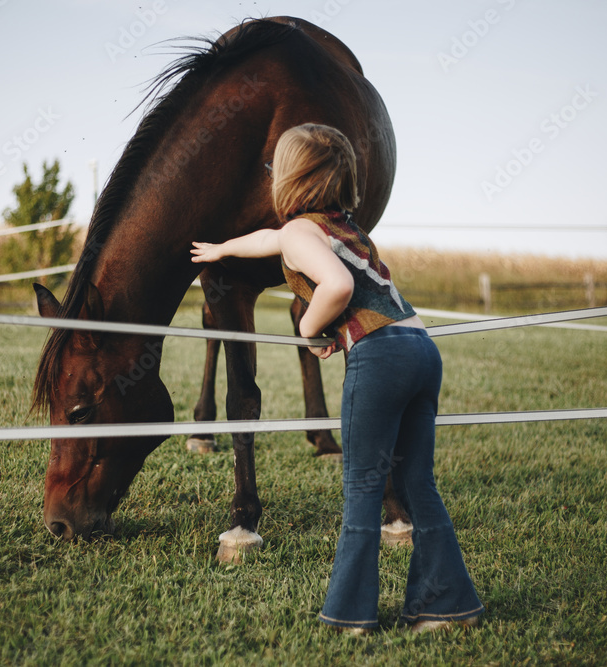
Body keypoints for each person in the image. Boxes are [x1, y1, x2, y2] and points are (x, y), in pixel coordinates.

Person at [191, 123, 483, 634]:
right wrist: (222, 250)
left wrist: (309, 327)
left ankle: (350, 616)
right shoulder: (345, 229)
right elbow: (273, 240)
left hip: (380, 357)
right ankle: (447, 603)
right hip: (420, 349)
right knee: (418, 484)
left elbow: (338, 284)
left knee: (363, 488)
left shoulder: (302, 234)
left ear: (288, 179)